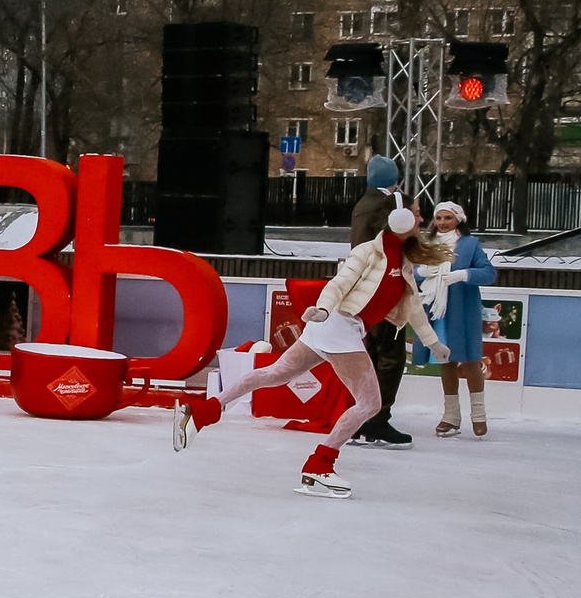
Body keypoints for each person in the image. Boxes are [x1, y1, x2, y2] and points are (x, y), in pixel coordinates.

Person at [175, 207, 448, 497]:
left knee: (277, 373)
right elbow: (338, 284)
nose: (422, 219)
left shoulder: (403, 259)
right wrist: (322, 308)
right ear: (400, 219)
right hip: (337, 324)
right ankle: (320, 466)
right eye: (417, 213)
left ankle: (206, 409)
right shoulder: (369, 252)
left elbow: (413, 307)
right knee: (369, 404)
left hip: (336, 327)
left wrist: (433, 343)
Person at [346, 157, 415, 449]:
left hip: (364, 293)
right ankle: (377, 419)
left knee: (372, 357)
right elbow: (403, 236)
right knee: (391, 357)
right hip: (382, 290)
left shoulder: (364, 203)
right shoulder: (386, 205)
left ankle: (361, 417)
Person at [413, 201, 497, 439]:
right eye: (438, 218)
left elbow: (489, 273)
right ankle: (451, 417)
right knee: (446, 361)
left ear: (458, 219)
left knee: (471, 360)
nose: (442, 222)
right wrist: (421, 273)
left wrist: (464, 274)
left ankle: (479, 415)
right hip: (436, 311)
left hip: (462, 310)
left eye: (447, 218)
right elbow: (410, 272)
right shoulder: (426, 244)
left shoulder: (470, 245)